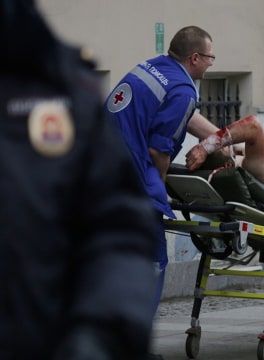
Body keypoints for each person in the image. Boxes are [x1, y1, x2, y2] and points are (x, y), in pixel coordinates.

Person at [0, 1, 158, 359]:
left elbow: (117, 233)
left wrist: (103, 334)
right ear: (196, 59)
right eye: (209, 59)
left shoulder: (61, 91)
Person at [104, 25, 219, 359]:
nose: (212, 64)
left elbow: (185, 117)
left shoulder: (151, 67)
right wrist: (160, 191)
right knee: (152, 262)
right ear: (195, 57)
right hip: (131, 183)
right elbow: (158, 151)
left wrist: (222, 139)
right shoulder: (185, 89)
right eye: (210, 58)